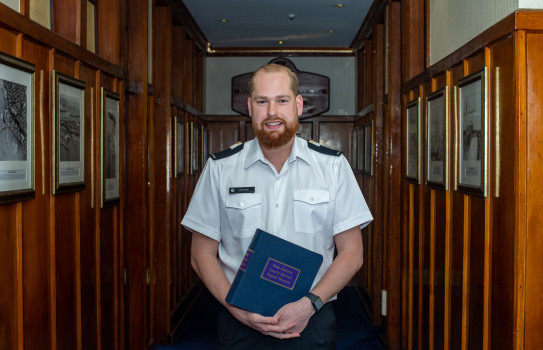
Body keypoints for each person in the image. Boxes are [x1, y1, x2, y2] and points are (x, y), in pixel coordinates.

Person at [181, 63, 373, 349]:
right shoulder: (220, 169)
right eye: (262, 101)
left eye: (281, 100)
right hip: (240, 323)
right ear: (249, 107)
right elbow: (201, 255)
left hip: (312, 320)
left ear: (298, 104)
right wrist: (239, 312)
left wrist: (309, 304)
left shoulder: (332, 166)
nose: (272, 112)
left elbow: (352, 253)